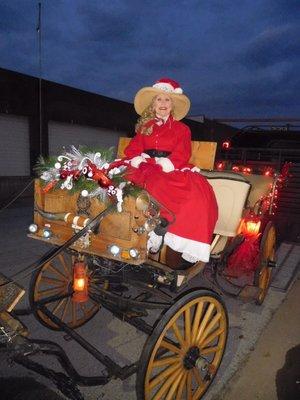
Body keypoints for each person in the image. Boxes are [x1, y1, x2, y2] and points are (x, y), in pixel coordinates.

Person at [124, 78, 218, 267]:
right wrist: (140, 162)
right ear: (153, 104)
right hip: (144, 166)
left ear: (172, 105)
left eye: (167, 100)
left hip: (170, 167)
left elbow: (182, 153)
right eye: (159, 100)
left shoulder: (182, 129)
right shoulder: (144, 127)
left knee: (193, 195)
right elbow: (132, 150)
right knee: (119, 185)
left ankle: (161, 232)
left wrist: (161, 165)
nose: (163, 104)